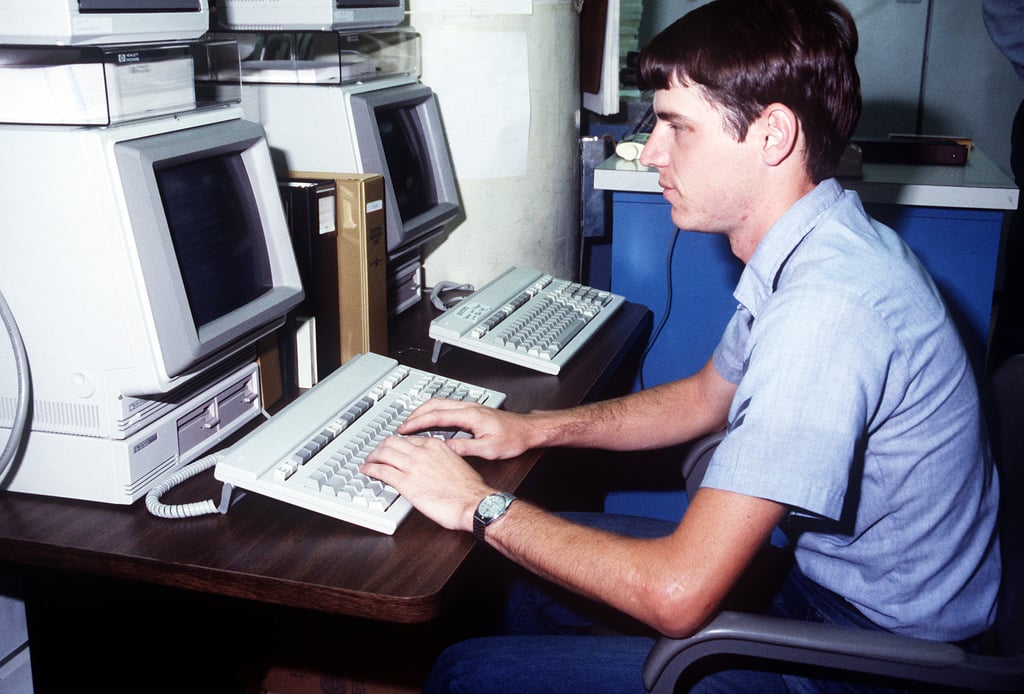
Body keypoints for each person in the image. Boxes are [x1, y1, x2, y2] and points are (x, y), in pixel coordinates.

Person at [363, 0, 1002, 691]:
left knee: (466, 675)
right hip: (833, 596)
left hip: (874, 660)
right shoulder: (823, 245)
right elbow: (703, 399)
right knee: (518, 586)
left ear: (772, 135)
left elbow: (678, 596)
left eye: (677, 127)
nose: (652, 152)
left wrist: (475, 504)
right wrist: (529, 429)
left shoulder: (828, 311)